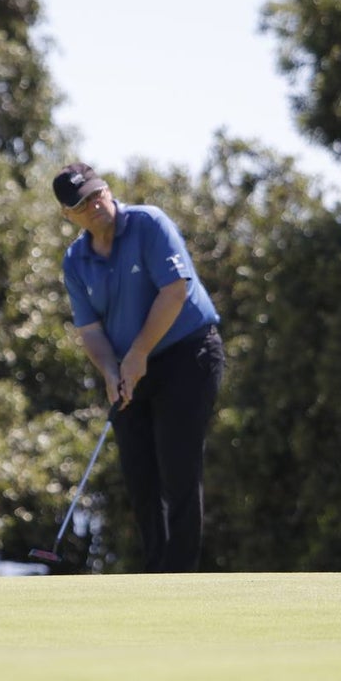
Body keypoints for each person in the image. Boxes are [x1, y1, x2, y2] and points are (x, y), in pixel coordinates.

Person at [52, 163, 225, 573]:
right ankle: (154, 574)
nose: (95, 205)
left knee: (178, 470)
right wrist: (110, 371)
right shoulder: (76, 260)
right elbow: (90, 330)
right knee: (139, 476)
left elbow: (175, 291)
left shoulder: (148, 223)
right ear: (68, 215)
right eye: (82, 203)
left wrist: (138, 353)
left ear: (107, 189)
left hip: (188, 355)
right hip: (129, 369)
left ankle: (179, 576)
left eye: (97, 194)